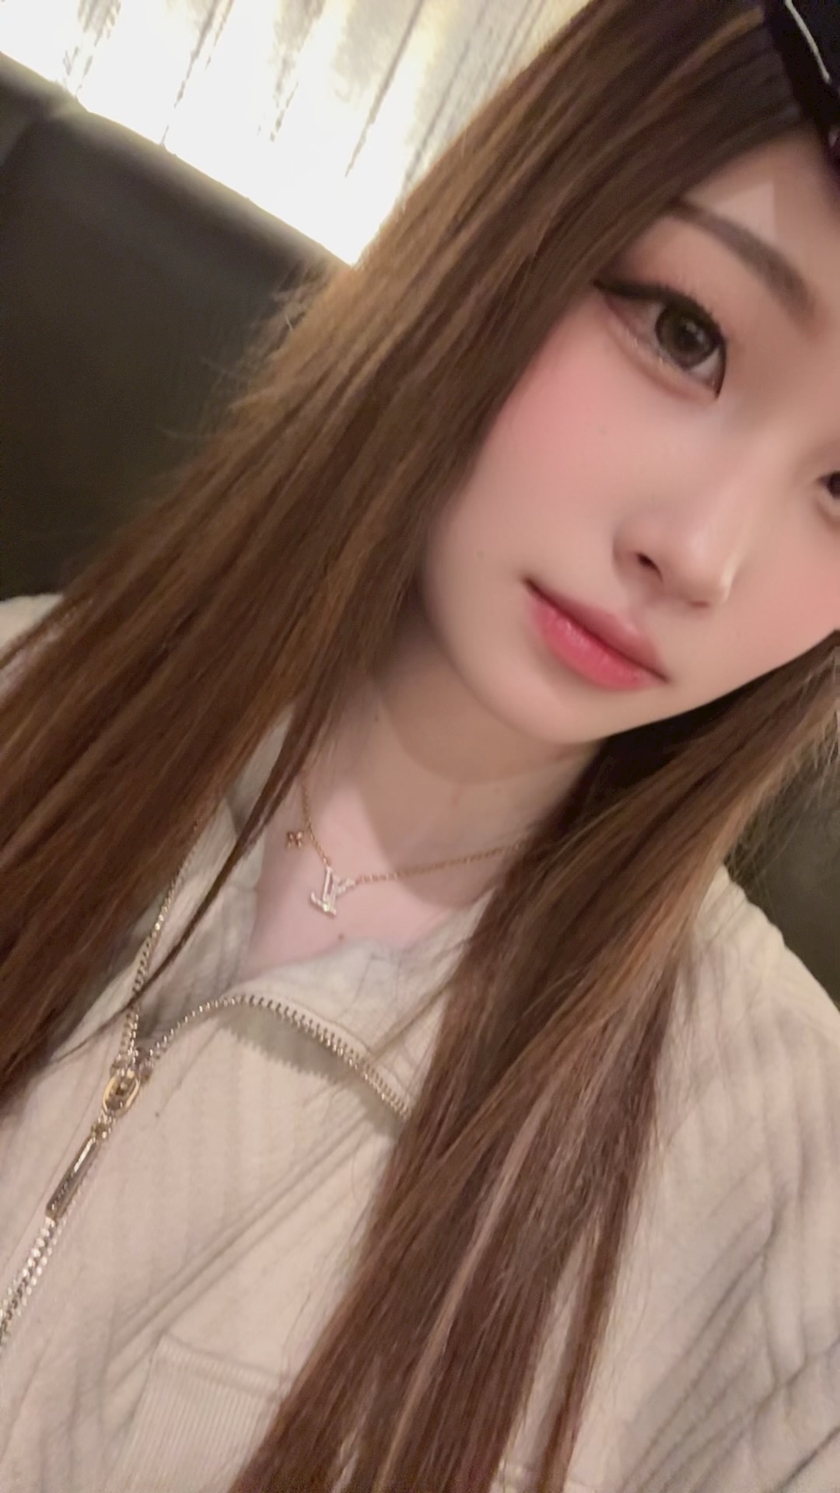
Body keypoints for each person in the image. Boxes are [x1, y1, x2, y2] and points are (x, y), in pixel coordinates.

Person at [0, 0, 839, 1488]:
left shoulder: (789, 1209)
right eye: (685, 334)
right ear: (510, 227)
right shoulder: (26, 693)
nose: (701, 554)